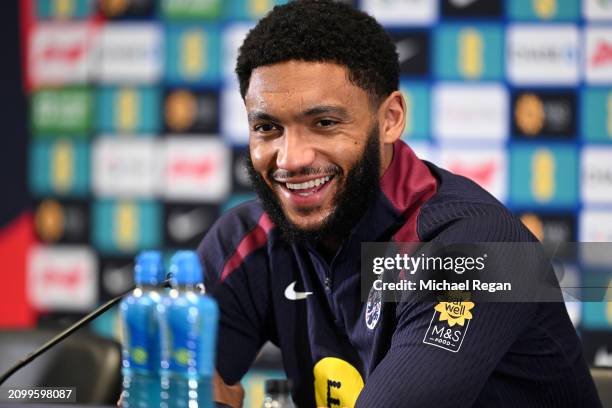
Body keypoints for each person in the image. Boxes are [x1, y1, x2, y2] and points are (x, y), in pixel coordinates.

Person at [198, 1, 601, 406]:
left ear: (390, 119)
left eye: (324, 123)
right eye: (267, 128)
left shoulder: (485, 247)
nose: (291, 158)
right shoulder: (249, 238)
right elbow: (164, 384)